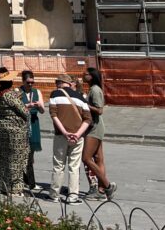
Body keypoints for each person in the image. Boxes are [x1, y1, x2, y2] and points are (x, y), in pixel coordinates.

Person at [46, 73, 92, 204]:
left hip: (61, 135)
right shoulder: (80, 97)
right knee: (74, 166)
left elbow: (53, 115)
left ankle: (54, 195)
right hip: (78, 137)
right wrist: (77, 134)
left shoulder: (55, 94)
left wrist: (65, 132)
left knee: (58, 165)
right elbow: (88, 119)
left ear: (59, 83)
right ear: (70, 84)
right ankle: (73, 197)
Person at [0, 66, 30, 196]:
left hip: (0, 127)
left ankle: (4, 186)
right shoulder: (10, 95)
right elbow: (24, 112)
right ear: (10, 82)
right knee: (16, 158)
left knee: (3, 157)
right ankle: (15, 188)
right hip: (14, 130)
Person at [82, 67, 116, 200]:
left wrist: (84, 104)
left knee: (86, 158)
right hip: (95, 126)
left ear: (92, 76)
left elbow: (99, 110)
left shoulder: (95, 90)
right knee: (98, 158)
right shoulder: (92, 89)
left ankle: (107, 186)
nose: (83, 76)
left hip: (95, 127)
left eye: (85, 74)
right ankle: (101, 190)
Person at [19, 70, 45, 191]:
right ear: (23, 81)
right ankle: (29, 181)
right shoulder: (18, 92)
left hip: (34, 123)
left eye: (32, 82)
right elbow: (16, 108)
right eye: (28, 82)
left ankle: (28, 179)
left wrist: (39, 105)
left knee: (31, 153)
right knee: (25, 153)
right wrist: (27, 106)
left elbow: (42, 111)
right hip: (23, 123)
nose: (30, 85)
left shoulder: (37, 92)